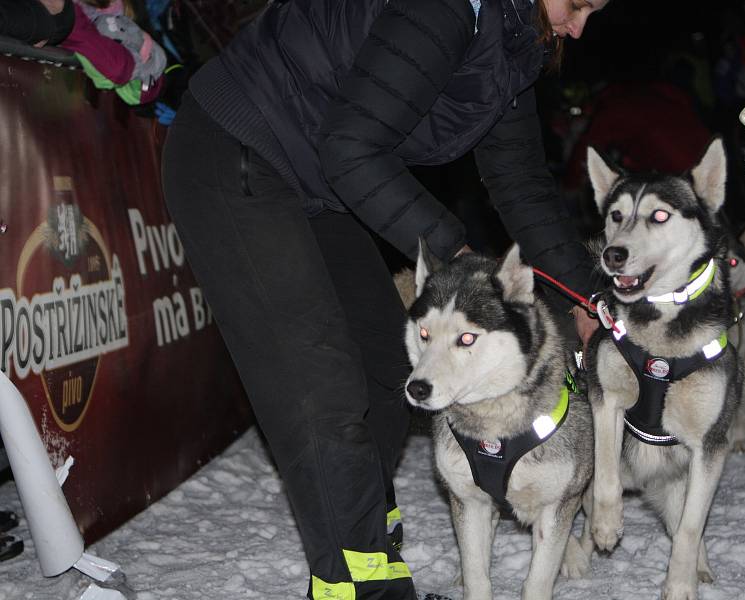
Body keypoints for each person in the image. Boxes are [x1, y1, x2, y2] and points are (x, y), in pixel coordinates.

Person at [161, 0, 607, 598]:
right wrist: (457, 252)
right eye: (577, 4)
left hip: (318, 176)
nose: (579, 27)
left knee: (390, 364)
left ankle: (369, 537)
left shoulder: (511, 47)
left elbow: (522, 184)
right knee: (320, 386)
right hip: (237, 146)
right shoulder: (448, 10)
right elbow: (352, 148)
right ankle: (360, 586)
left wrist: (589, 297)